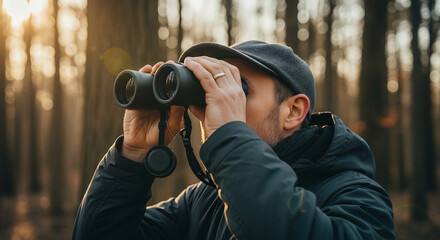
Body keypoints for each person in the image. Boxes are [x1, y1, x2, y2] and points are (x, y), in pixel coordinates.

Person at [73, 41, 395, 240]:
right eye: (212, 89)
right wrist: (132, 157)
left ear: (294, 111)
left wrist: (229, 139)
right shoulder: (205, 200)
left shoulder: (358, 199)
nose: (217, 102)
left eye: (238, 88)